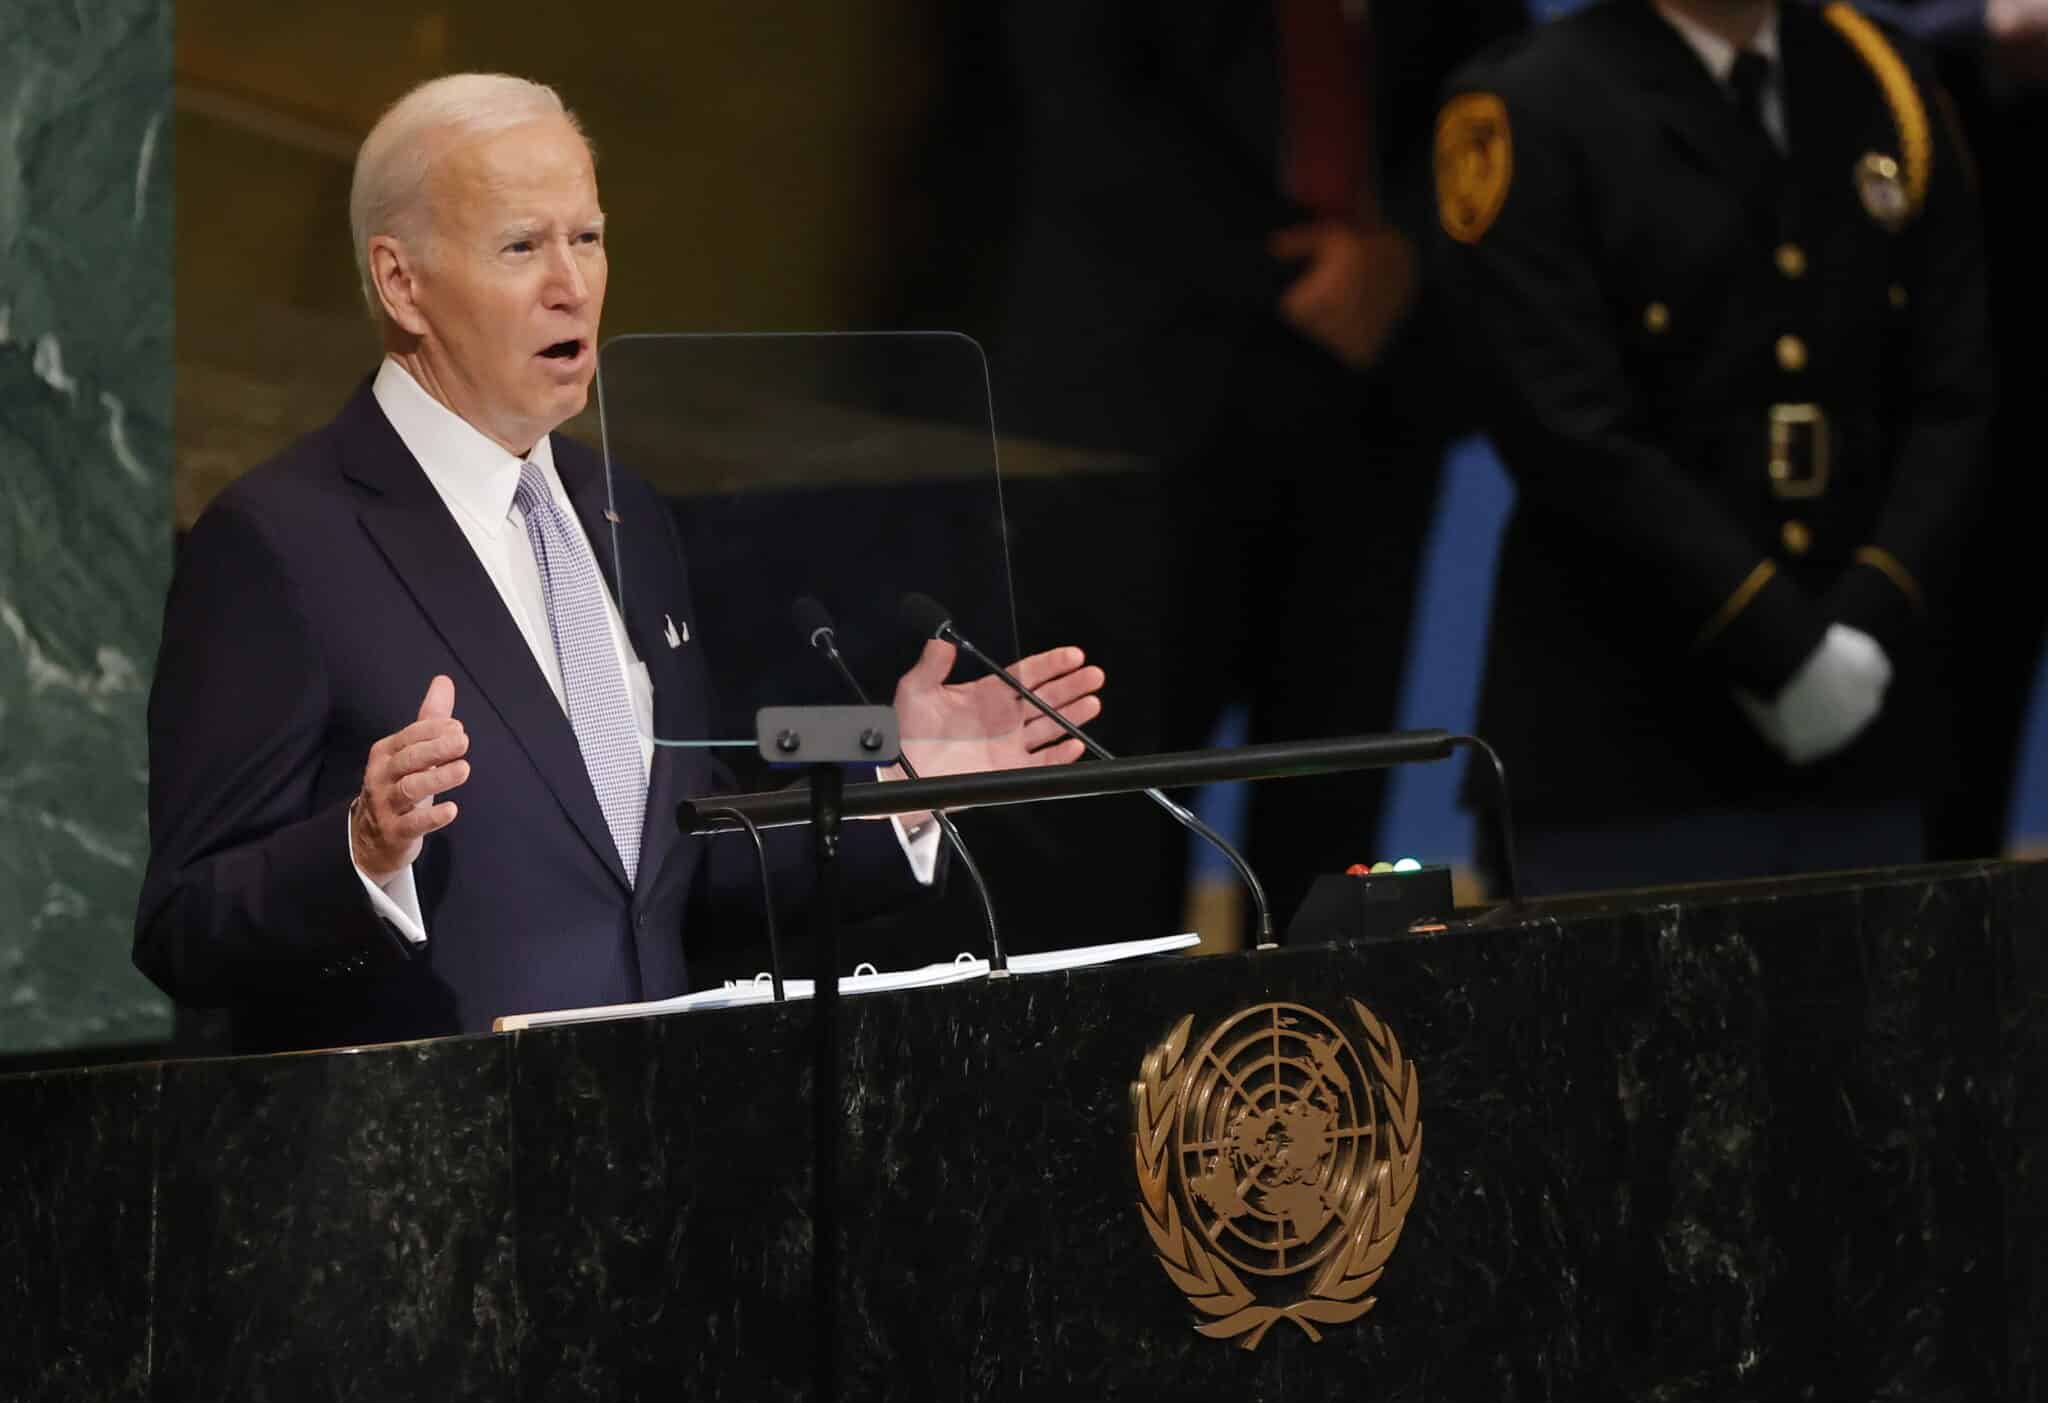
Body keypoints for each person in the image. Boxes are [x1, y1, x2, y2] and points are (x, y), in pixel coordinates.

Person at [134, 74, 1104, 1053]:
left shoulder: (623, 512)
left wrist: (901, 781)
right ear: (401, 282)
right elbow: (184, 922)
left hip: (653, 1165)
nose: (571, 283)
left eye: (587, 237)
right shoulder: (281, 540)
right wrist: (358, 849)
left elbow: (670, 866)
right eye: (521, 246)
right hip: (426, 1168)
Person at [981, 0, 1524, 935]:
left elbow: (1503, 105)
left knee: (1331, 843)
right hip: (1137, 417)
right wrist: (1317, 276)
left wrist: (1403, 266)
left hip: (1375, 411)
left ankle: (1316, 1077)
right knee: (1111, 829)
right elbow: (1084, 113)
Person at [1433, 0, 1994, 894]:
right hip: (1625, 747)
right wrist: (1781, 643)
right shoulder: (1527, 103)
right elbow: (1568, 432)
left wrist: (1866, 619)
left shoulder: (1889, 80)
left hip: (1864, 733)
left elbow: (1956, 393)